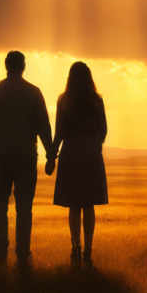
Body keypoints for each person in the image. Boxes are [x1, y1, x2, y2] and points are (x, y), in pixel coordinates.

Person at [0, 49, 53, 264]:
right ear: (23, 67)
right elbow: (43, 126)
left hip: (0, 156)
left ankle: (0, 250)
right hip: (25, 157)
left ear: (6, 66)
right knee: (24, 208)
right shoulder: (33, 92)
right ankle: (22, 251)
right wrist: (50, 153)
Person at [50, 61, 108, 266]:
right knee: (89, 205)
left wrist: (51, 156)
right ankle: (89, 249)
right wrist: (95, 146)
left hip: (70, 156)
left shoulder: (63, 100)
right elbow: (103, 130)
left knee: (74, 206)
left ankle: (75, 247)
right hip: (91, 156)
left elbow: (59, 132)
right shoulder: (96, 101)